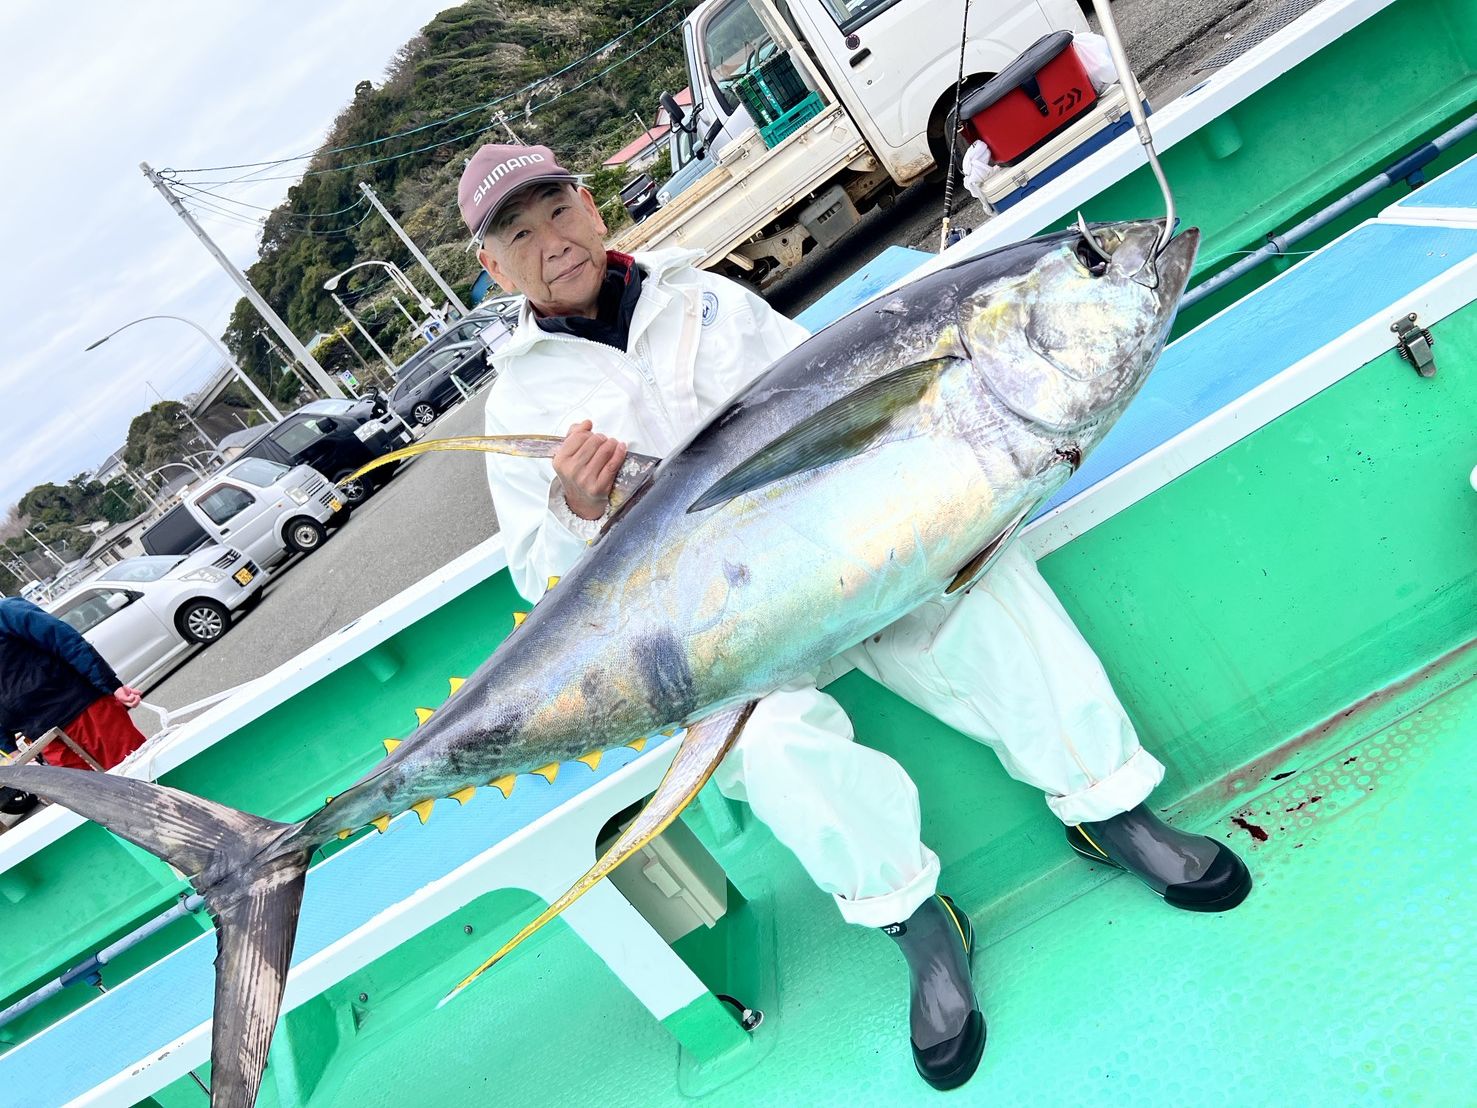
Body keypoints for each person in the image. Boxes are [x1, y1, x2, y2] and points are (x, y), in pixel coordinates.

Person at [461, 144, 1250, 1090]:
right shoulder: (519, 401)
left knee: (988, 595)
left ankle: (1109, 808)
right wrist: (575, 509)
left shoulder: (704, 300)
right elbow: (544, 583)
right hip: (728, 635)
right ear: (494, 268)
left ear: (591, 207)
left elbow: (838, 395)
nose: (551, 241)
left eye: (558, 211)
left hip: (855, 551)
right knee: (775, 746)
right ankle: (917, 926)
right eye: (520, 234)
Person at [0, 596, 147, 772]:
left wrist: (111, 684)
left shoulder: (5, 611)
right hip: (43, 738)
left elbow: (64, 640)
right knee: (89, 789)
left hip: (82, 708)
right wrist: (11, 750)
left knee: (139, 768)